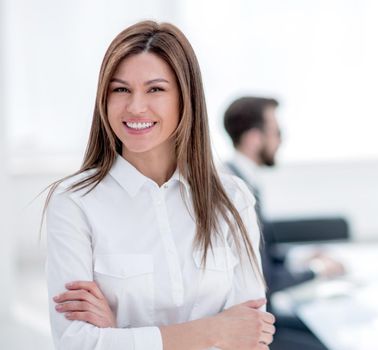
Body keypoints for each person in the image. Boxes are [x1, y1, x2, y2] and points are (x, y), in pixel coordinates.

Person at [43, 21, 275, 350]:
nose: (136, 106)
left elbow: (252, 335)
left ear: (185, 97)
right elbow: (76, 344)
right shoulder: (74, 203)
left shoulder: (233, 198)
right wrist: (215, 331)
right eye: (120, 89)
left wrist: (120, 336)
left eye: (155, 89)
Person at [223, 96, 344, 350]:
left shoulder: (241, 177)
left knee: (329, 329)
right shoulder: (236, 191)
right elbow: (264, 279)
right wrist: (318, 270)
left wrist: (300, 257)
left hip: (264, 316)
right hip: (254, 327)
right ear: (254, 138)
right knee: (333, 339)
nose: (281, 140)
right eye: (277, 132)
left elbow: (261, 254)